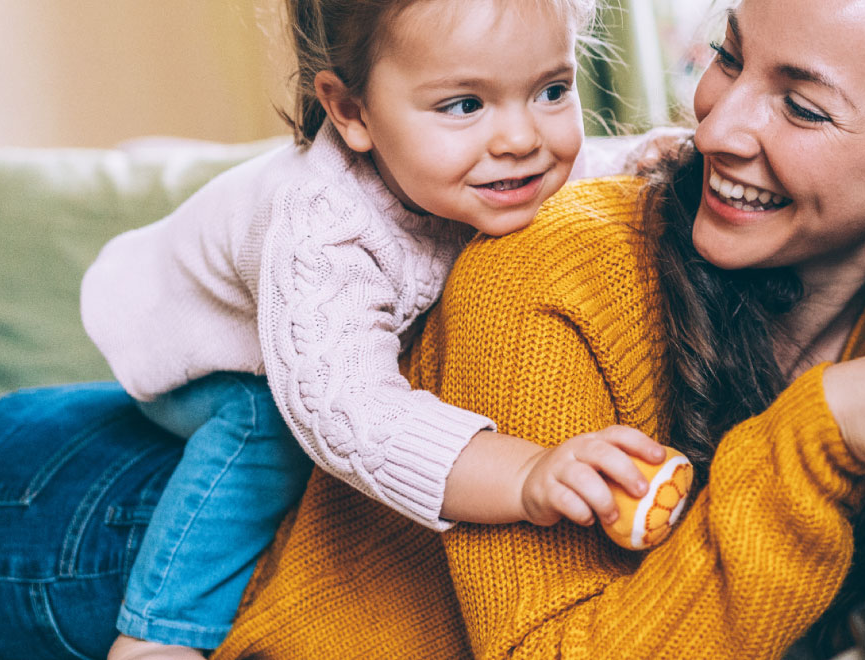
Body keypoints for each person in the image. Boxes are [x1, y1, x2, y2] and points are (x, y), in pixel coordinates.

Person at [0, 0, 865, 658]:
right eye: (733, 54)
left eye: (801, 104)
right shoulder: (546, 262)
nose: (723, 122)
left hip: (126, 489)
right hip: (72, 529)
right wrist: (817, 440)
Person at [77, 0, 676, 658]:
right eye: (463, 105)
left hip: (300, 331)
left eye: (552, 91)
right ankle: (159, 627)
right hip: (196, 346)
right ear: (351, 111)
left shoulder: (508, 170)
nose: (521, 137)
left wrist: (660, 158)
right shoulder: (324, 227)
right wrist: (526, 473)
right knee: (268, 429)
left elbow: (599, 170)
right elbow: (345, 412)